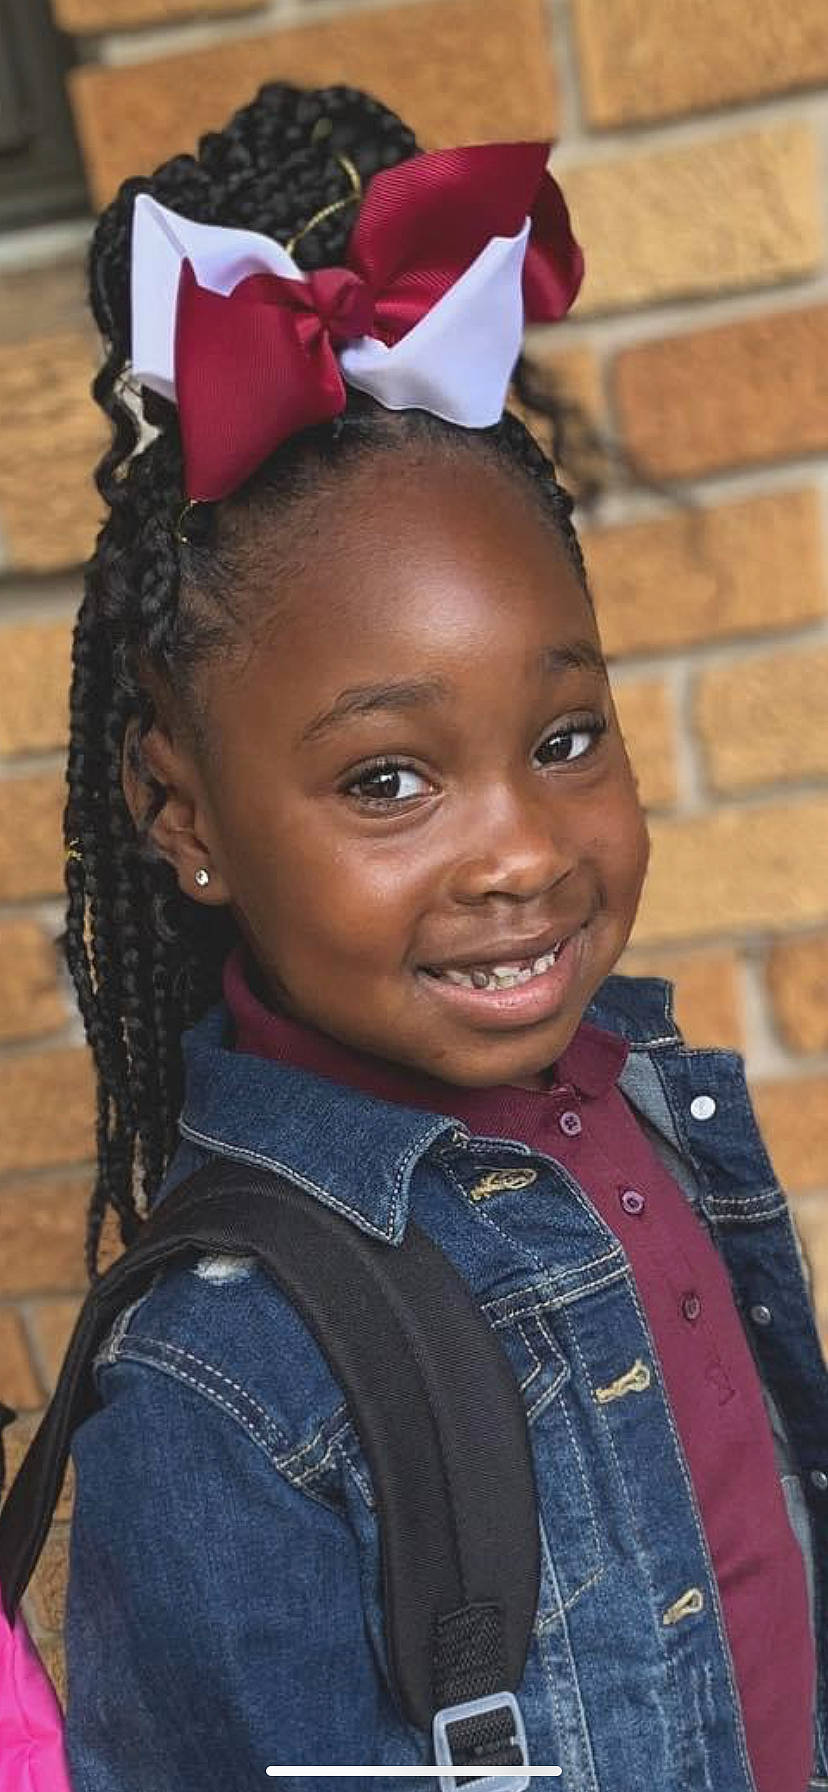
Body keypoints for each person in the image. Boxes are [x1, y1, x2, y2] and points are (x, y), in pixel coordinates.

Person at [58, 79, 827, 1792]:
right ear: (184, 815)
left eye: (564, 741)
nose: (523, 853)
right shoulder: (222, 1383)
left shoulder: (649, 1106)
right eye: (391, 777)